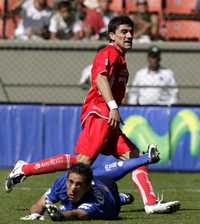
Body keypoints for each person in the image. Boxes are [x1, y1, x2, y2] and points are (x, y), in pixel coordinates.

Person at [5, 15, 180, 214]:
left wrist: (113, 110)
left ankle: (150, 203)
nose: (130, 35)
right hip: (100, 114)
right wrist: (113, 106)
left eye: (131, 31)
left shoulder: (121, 60)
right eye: (124, 31)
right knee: (82, 166)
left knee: (137, 157)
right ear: (112, 36)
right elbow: (99, 77)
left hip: (109, 118)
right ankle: (42, 204)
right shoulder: (109, 52)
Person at [20, 148, 165, 221]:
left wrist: (61, 215)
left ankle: (120, 198)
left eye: (78, 184)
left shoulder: (95, 198)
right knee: (102, 170)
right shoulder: (61, 182)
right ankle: (147, 158)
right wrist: (34, 214)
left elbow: (78, 214)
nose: (72, 188)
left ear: (88, 186)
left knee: (109, 174)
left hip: (109, 192)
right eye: (70, 182)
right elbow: (40, 203)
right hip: (96, 178)